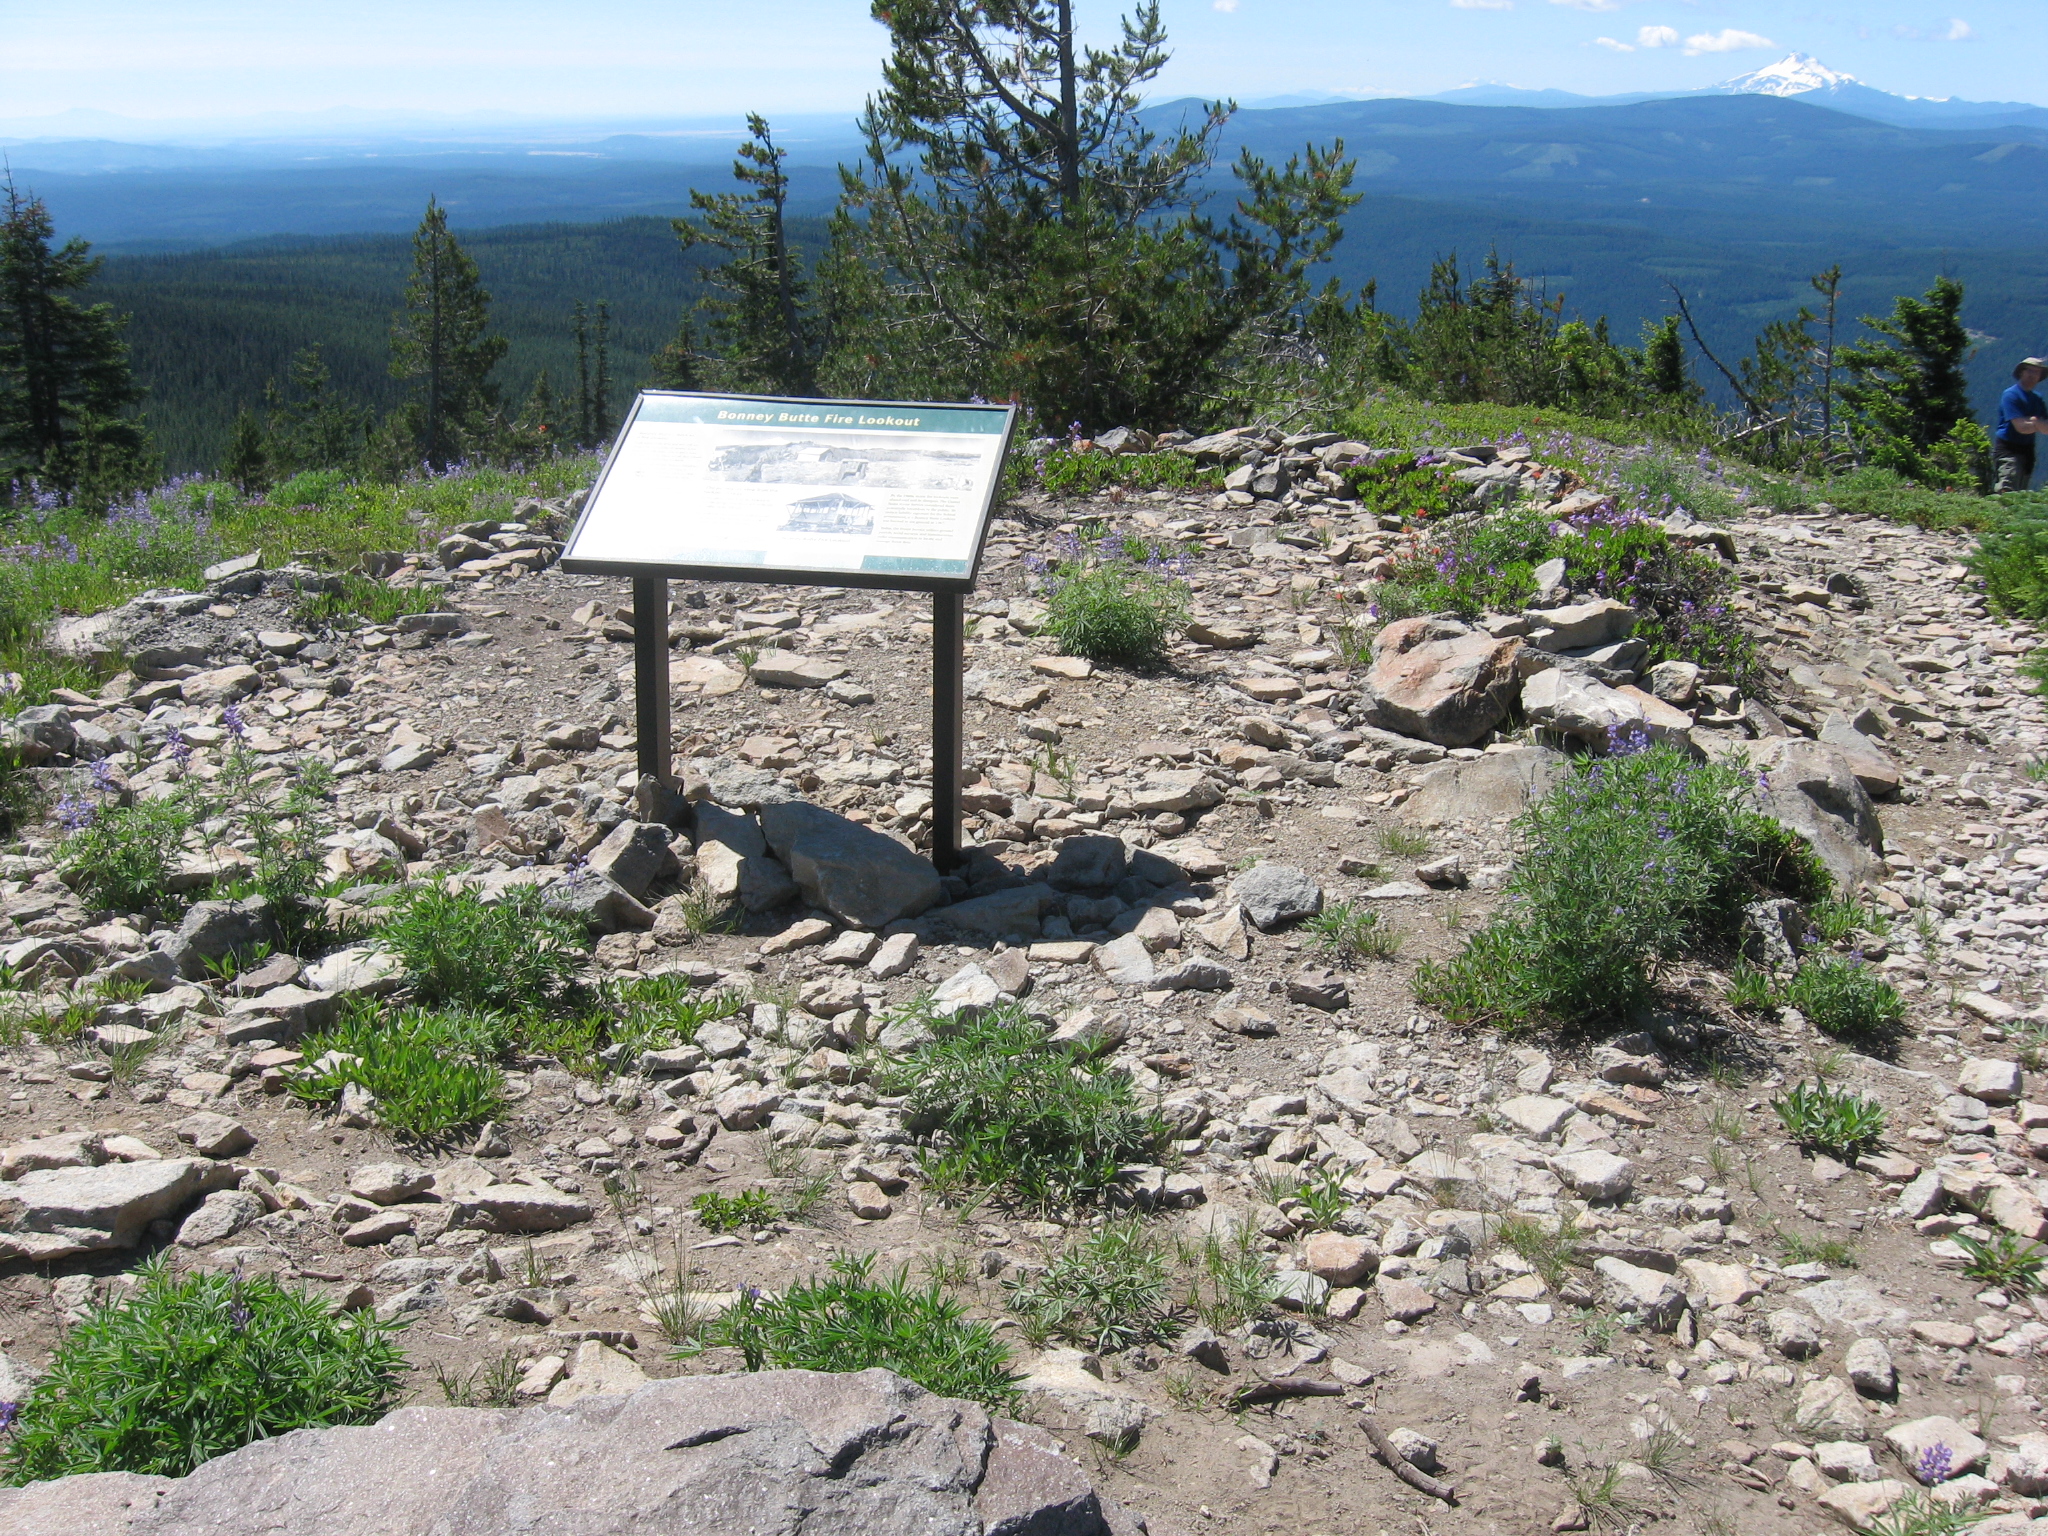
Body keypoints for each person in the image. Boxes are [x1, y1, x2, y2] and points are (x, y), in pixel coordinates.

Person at [1995, 357, 2048, 493]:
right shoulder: (2011, 395)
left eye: (2037, 372)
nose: (2033, 375)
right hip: (2008, 449)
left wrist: (2033, 421)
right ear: (2021, 373)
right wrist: (2037, 423)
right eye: (2030, 371)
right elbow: (2021, 428)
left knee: (2021, 491)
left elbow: (2046, 428)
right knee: (2007, 487)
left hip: (2027, 450)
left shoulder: (2037, 398)